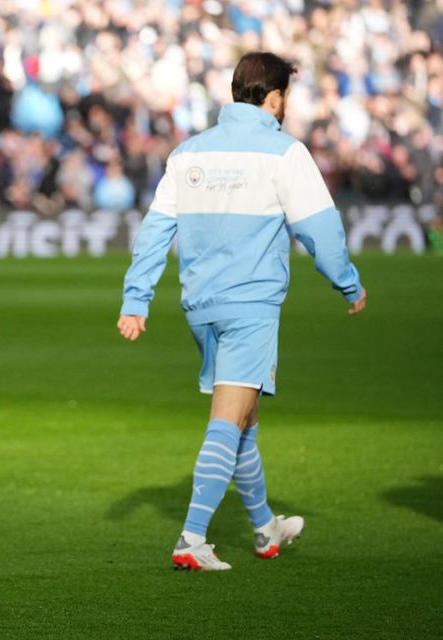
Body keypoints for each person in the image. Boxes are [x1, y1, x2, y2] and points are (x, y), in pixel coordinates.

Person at [117, 52, 367, 571]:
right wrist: (349, 284)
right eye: (286, 98)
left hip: (200, 308)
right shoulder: (284, 152)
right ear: (274, 98)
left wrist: (137, 298)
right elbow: (319, 229)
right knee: (229, 420)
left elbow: (155, 232)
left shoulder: (188, 153)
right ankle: (191, 538)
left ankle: (264, 526)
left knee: (246, 418)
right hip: (250, 305)